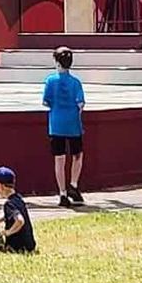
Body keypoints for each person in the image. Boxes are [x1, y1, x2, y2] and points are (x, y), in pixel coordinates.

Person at [42, 46, 85, 208]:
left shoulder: (50, 80)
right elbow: (80, 103)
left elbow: (46, 102)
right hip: (73, 124)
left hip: (56, 124)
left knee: (59, 160)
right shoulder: (75, 82)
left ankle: (62, 193)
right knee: (77, 155)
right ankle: (73, 184)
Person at [0, 166, 36, 253]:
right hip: (29, 245)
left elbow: (20, 221)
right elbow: (8, 215)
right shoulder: (18, 199)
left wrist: (8, 232)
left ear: (1, 186)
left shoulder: (9, 204)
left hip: (17, 247)